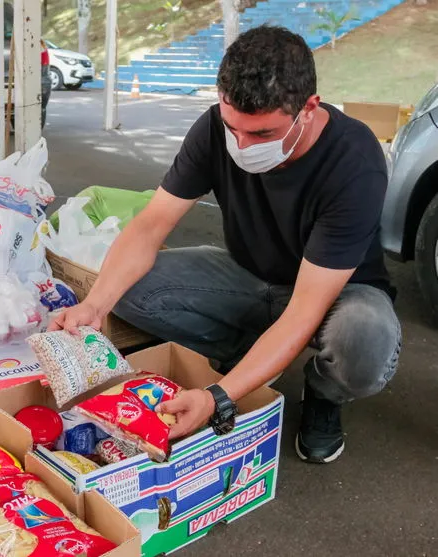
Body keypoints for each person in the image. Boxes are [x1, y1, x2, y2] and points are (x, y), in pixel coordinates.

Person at [50, 25, 401, 464]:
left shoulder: (354, 161)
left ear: (308, 108)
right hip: (248, 275)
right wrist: (95, 306)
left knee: (365, 342)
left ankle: (323, 393)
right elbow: (151, 225)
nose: (242, 145)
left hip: (334, 293)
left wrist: (218, 398)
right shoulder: (213, 128)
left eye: (263, 135)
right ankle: (246, 354)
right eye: (233, 127)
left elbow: (305, 310)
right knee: (130, 287)